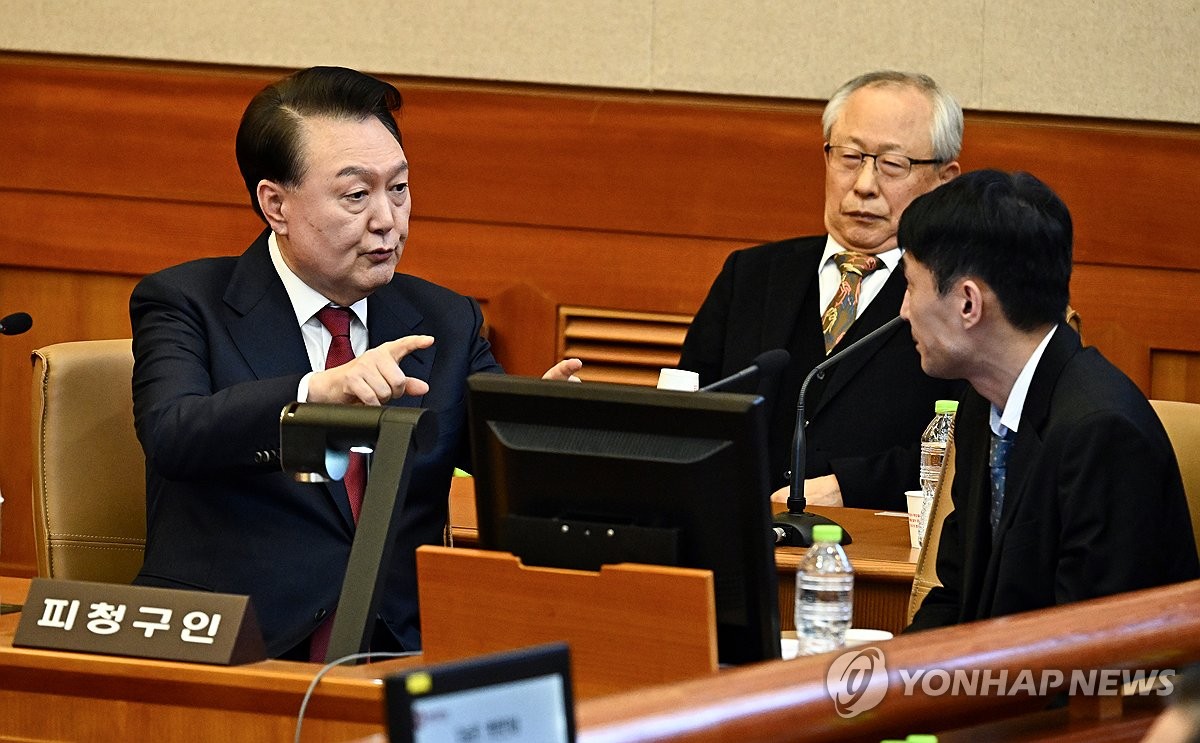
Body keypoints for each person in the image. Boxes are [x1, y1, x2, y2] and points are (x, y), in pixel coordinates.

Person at [129, 66, 580, 660]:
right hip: (232, 644)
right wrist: (312, 394)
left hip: (396, 649)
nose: (387, 220)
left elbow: (493, 456)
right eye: (355, 195)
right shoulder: (187, 301)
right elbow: (173, 432)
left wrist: (538, 431)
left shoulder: (442, 319)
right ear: (276, 204)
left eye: (398, 188)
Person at [903, 170, 1199, 630]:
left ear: (968, 304)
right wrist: (897, 682)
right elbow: (957, 595)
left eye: (910, 285)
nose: (904, 311)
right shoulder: (983, 403)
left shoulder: (1101, 432)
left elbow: (1092, 653)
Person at [678, 71, 964, 511]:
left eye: (892, 164)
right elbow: (690, 412)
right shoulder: (751, 275)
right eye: (849, 157)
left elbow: (969, 451)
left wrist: (851, 485)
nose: (865, 185)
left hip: (875, 544)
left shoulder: (957, 298)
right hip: (741, 536)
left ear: (945, 180)